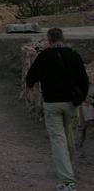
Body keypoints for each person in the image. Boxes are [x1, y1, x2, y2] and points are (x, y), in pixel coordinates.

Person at [26, 27, 90, 191]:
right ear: (63, 39)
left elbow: (31, 76)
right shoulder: (74, 55)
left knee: (58, 140)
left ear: (49, 41)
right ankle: (67, 167)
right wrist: (80, 99)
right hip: (71, 103)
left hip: (52, 103)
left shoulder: (45, 56)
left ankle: (67, 180)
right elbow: (83, 80)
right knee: (69, 137)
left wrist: (31, 86)